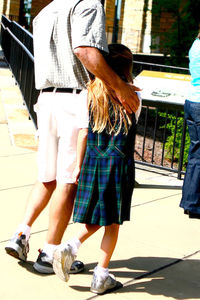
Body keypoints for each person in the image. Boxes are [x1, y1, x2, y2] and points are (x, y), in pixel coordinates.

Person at [5, 0, 140, 275]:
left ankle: (21, 233)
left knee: (46, 176)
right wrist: (119, 87)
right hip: (75, 98)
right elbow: (84, 51)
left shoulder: (44, 12)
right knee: (68, 180)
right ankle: (49, 252)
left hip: (46, 97)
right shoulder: (87, 4)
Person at [52, 43, 142, 295]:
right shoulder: (134, 95)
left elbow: (83, 133)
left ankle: (71, 246)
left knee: (97, 215)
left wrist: (79, 165)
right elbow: (133, 122)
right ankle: (100, 273)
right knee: (112, 222)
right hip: (119, 163)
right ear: (127, 67)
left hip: (93, 160)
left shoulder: (88, 94)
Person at [180, 31, 200, 218]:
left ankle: (190, 201)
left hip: (192, 101)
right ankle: (193, 203)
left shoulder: (195, 44)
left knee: (195, 153)